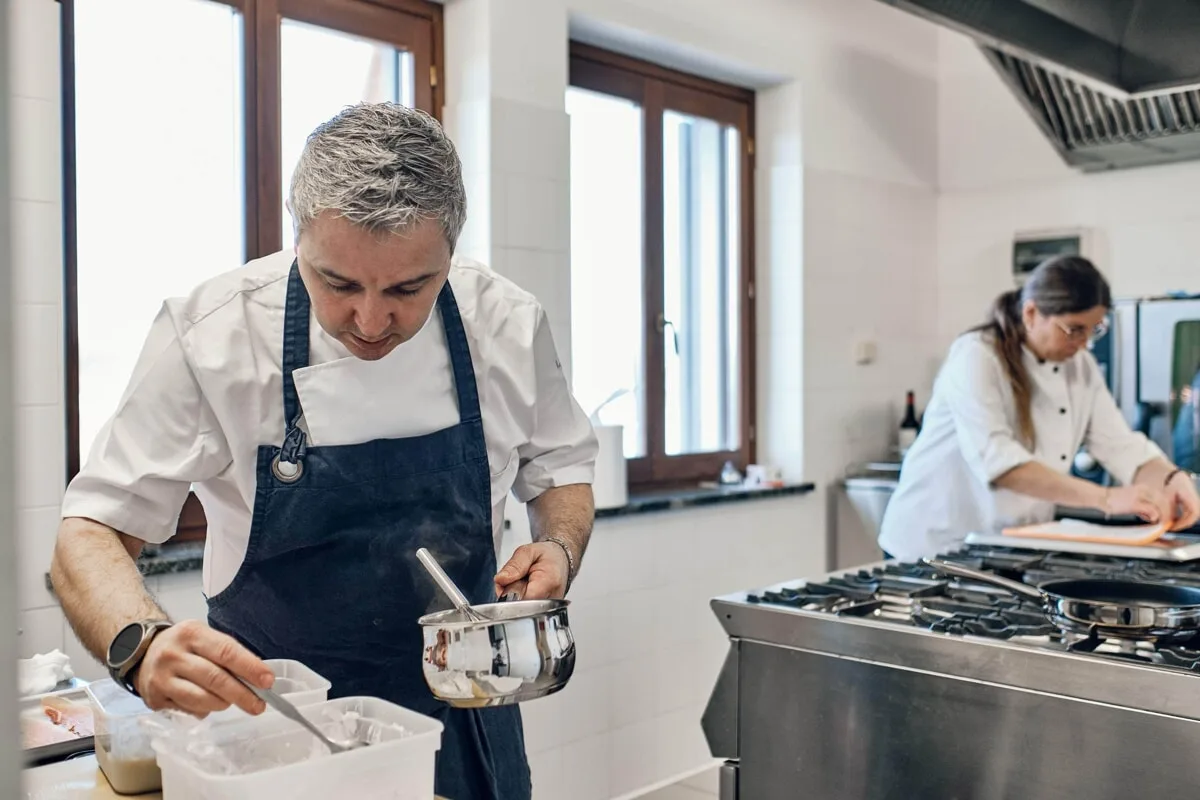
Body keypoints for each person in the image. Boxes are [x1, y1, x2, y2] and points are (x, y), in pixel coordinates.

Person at [49, 102, 598, 800]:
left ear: (450, 255)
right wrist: (141, 643)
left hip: (460, 721)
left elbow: (563, 468)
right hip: (273, 726)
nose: (371, 322)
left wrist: (559, 548)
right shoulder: (213, 336)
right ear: (298, 237)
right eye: (337, 283)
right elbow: (91, 528)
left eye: (409, 288)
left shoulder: (507, 325)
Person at [879, 255, 1200, 561]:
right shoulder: (977, 357)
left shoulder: (1081, 367)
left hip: (1011, 544)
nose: (1086, 342)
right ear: (1031, 314)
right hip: (933, 545)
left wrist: (1171, 477)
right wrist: (1107, 498)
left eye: (1095, 329)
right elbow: (1000, 462)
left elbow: (1118, 443)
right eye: (1075, 329)